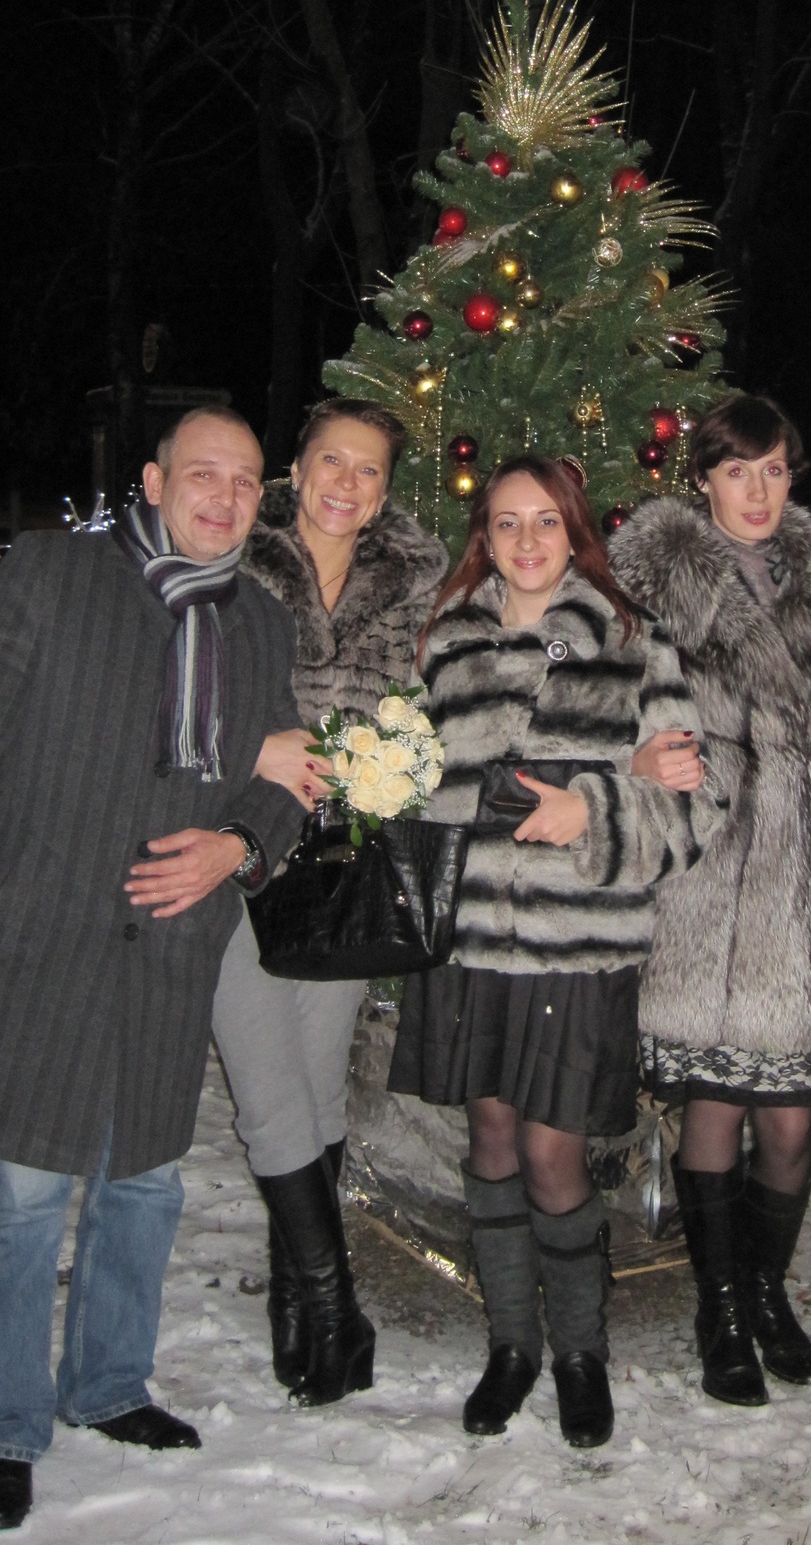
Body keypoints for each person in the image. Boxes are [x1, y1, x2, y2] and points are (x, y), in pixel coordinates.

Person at [0, 410, 304, 1535]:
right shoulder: (50, 576)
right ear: (153, 478)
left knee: (144, 1180)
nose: (224, 498)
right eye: (202, 474)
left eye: (245, 482)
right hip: (44, 931)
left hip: (174, 946)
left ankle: (109, 1383)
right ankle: (6, 1420)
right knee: (23, 1191)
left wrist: (239, 844)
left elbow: (286, 776)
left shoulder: (260, 622)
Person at [388, 455, 723, 1450]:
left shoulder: (634, 643)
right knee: (489, 1144)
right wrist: (529, 785)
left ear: (577, 533)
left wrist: (598, 806)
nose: (526, 541)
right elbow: (406, 785)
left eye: (546, 521)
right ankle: (511, 1345)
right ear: (483, 537)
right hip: (472, 944)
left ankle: (579, 1350)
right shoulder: (445, 643)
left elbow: (697, 807)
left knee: (551, 1153)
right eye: (506, 523)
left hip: (579, 949)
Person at [610, 393, 811, 1409]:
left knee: (791, 1126)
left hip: (795, 893)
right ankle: (720, 1311)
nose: (758, 491)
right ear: (703, 479)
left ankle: (765, 1292)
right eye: (736, 471)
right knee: (713, 1109)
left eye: (775, 470)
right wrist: (638, 764)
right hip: (710, 888)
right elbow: (615, 713)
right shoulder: (658, 591)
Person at [211, 400, 447, 1407]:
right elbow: (185, 699)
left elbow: (437, 703)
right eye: (331, 462)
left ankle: (294, 1304)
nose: (346, 484)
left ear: (385, 491)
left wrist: (403, 761)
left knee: (314, 1092)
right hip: (239, 851)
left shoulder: (416, 586)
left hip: (346, 867)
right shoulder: (235, 561)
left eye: (368, 470)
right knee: (269, 1095)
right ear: (297, 469)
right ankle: (334, 1300)